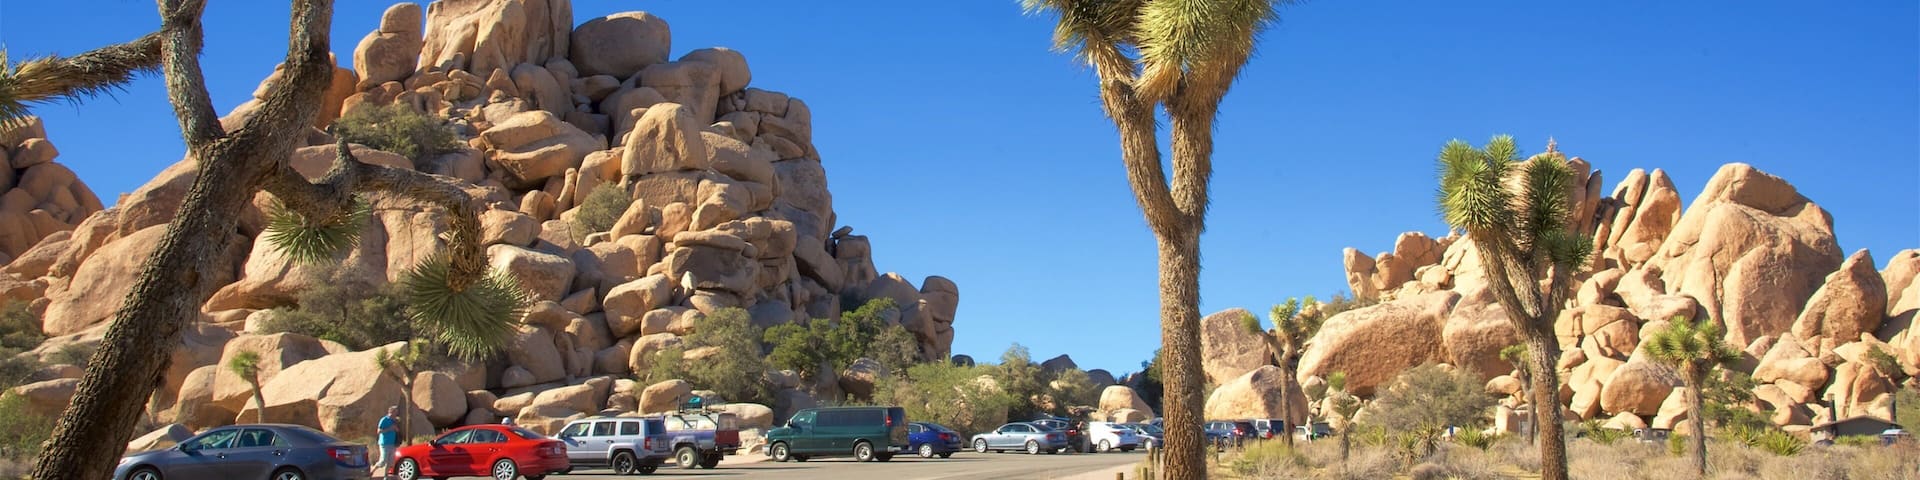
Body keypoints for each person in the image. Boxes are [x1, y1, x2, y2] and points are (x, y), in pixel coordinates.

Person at [372, 406, 399, 479]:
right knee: (383, 461)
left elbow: (397, 430)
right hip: (384, 443)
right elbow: (379, 431)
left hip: (392, 443)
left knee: (390, 462)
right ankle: (373, 470)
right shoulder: (384, 419)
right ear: (391, 412)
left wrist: (396, 429)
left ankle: (386, 476)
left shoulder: (395, 421)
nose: (396, 413)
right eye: (395, 412)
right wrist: (389, 428)